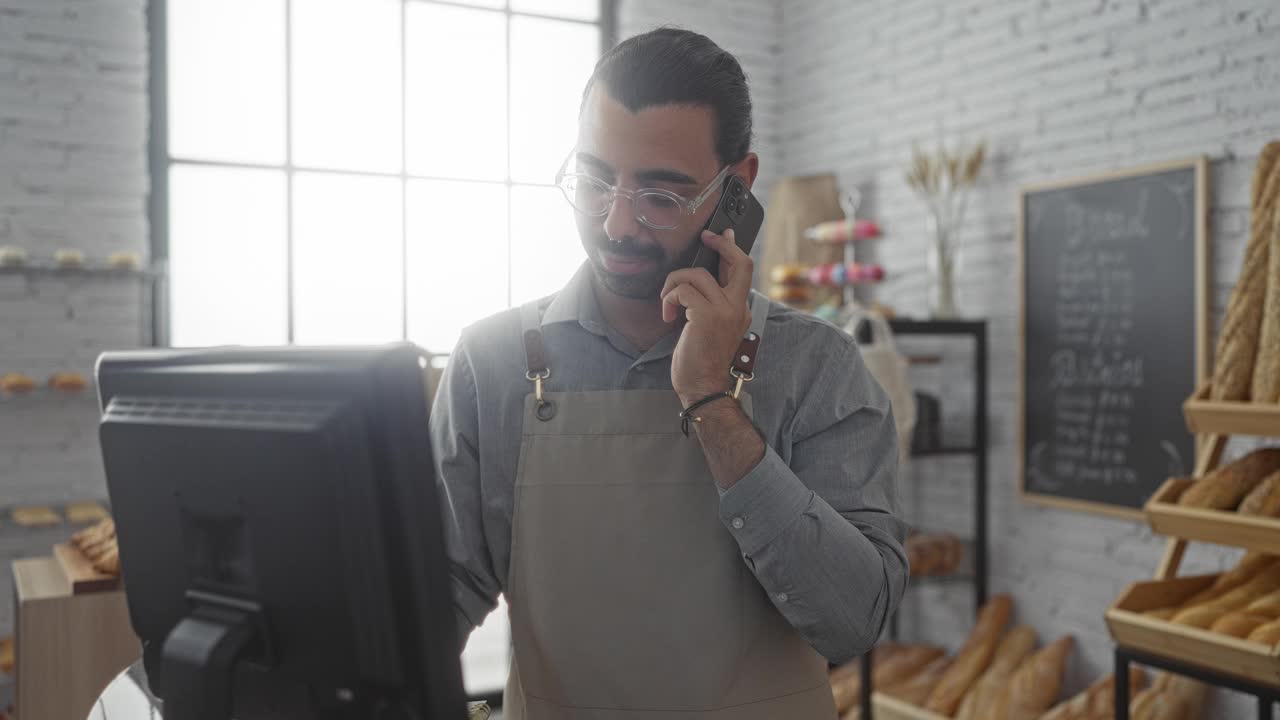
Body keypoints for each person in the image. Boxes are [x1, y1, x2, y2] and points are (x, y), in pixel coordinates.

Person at [430, 27, 908, 720]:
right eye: (596, 180)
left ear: (735, 189)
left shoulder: (818, 367)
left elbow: (852, 621)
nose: (617, 223)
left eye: (662, 194)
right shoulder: (493, 363)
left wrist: (712, 402)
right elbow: (437, 595)